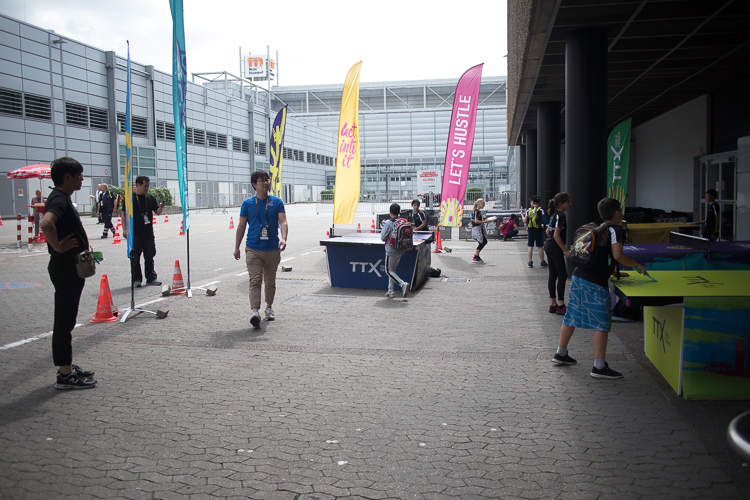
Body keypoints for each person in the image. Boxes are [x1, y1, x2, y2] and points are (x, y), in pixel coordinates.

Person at [552, 198, 649, 379]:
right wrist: (637, 265)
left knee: (571, 316)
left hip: (579, 276)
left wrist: (613, 273)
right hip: (594, 282)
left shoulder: (600, 228)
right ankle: (599, 366)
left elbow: (600, 256)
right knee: (602, 323)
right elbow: (618, 255)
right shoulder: (616, 230)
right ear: (617, 213)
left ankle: (561, 353)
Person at [39, 157, 97, 390]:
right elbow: (46, 224)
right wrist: (58, 246)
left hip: (68, 268)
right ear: (67, 177)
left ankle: (67, 366)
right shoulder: (59, 199)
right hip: (65, 268)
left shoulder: (60, 198)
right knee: (64, 320)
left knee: (67, 318)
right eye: (79, 175)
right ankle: (64, 374)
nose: (82, 179)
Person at [234, 170, 288, 328]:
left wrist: (284, 238)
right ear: (254, 184)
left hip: (272, 248)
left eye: (267, 179)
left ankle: (269, 307)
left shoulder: (277, 202)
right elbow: (242, 226)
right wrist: (236, 247)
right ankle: (255, 312)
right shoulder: (248, 204)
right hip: (253, 249)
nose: (266, 182)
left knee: (270, 281)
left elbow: (283, 222)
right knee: (255, 280)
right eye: (262, 180)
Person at [122, 176, 165, 287]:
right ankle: (136, 279)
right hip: (134, 233)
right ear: (138, 185)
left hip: (148, 233)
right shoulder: (129, 199)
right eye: (145, 186)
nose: (147, 188)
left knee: (149, 256)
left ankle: (151, 278)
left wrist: (161, 207)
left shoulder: (150, 198)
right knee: (135, 258)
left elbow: (158, 212)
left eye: (148, 186)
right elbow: (124, 214)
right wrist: (124, 229)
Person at [544, 193, 571, 315]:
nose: (570, 204)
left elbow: (548, 231)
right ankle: (561, 304)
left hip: (549, 246)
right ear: (561, 204)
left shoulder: (554, 215)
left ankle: (553, 303)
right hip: (555, 248)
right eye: (568, 202)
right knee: (562, 274)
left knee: (553, 274)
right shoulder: (561, 216)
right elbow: (556, 235)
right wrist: (565, 250)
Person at [380, 203, 411, 298]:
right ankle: (390, 291)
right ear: (399, 212)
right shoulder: (402, 221)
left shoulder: (389, 223)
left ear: (390, 212)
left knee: (388, 270)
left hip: (391, 250)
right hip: (401, 249)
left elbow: (382, 237)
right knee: (393, 270)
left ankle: (402, 284)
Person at [521, 195, 547, 268]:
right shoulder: (540, 210)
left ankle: (530, 261)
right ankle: (542, 261)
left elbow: (525, 221)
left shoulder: (528, 211)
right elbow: (544, 220)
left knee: (530, 245)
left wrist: (521, 215)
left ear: (532, 202)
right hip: (538, 230)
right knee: (540, 246)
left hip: (530, 230)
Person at [471, 198, 490, 263]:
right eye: (483, 204)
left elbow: (472, 220)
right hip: (477, 229)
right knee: (482, 242)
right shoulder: (477, 211)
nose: (484, 205)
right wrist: (484, 222)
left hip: (476, 228)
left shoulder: (474, 211)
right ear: (479, 203)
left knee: (483, 242)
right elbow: (476, 220)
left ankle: (476, 255)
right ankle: (476, 256)